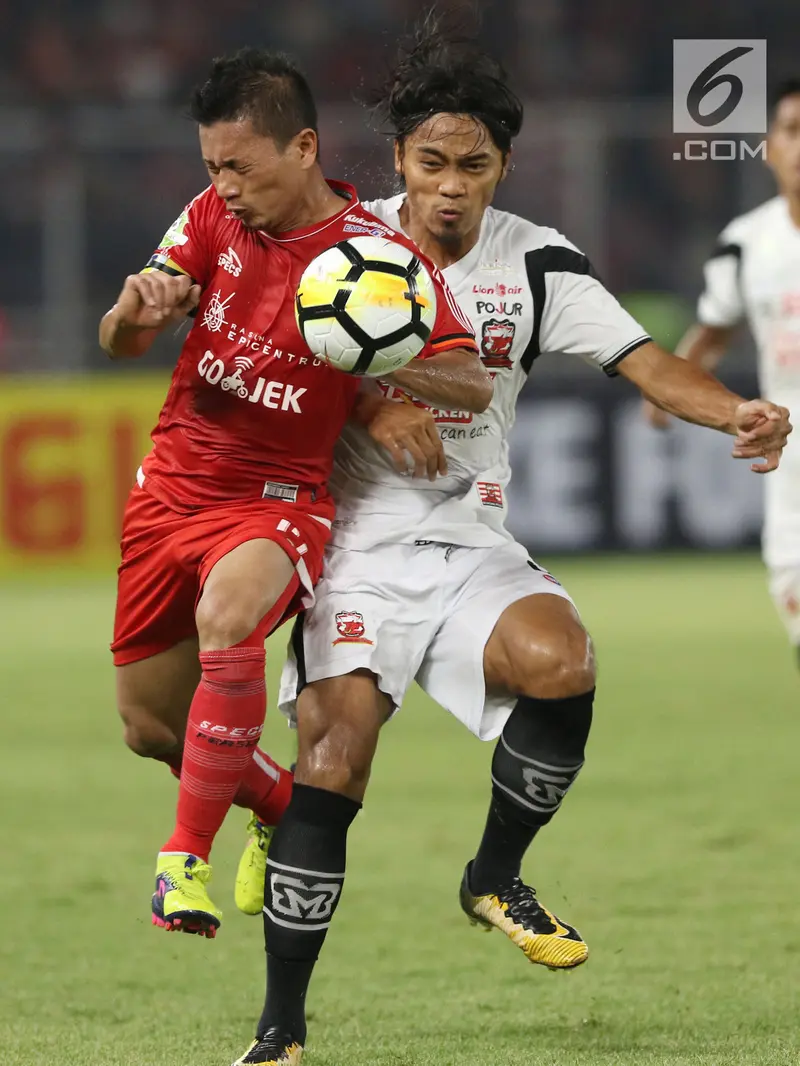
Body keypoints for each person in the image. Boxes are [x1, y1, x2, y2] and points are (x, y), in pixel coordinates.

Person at [228, 24, 793, 1066]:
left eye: (473, 165)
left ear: (504, 167)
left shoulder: (535, 265)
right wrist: (361, 411)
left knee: (562, 659)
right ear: (397, 160)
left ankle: (492, 874)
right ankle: (279, 1031)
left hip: (464, 535)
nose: (451, 187)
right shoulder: (339, 246)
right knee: (335, 762)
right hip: (351, 545)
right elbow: (260, 357)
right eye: (431, 162)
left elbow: (644, 359)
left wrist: (735, 414)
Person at [99, 46, 491, 940]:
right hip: (170, 491)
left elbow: (469, 380)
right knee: (150, 729)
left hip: (276, 499)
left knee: (230, 620)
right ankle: (279, 810)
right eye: (211, 167)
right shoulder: (208, 219)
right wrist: (134, 312)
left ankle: (179, 866)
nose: (224, 184)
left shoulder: (378, 262)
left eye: (239, 165)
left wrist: (382, 361)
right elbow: (119, 340)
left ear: (304, 147)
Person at [644, 79, 800, 659]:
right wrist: (667, 385)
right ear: (769, 147)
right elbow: (715, 327)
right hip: (790, 450)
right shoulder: (748, 242)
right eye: (792, 131)